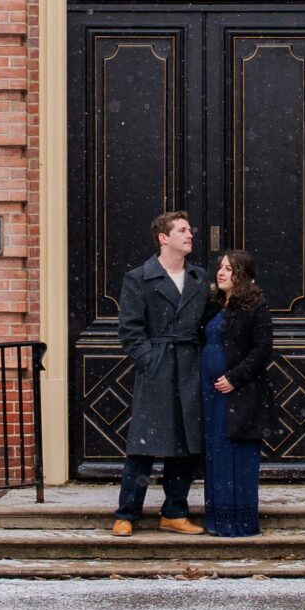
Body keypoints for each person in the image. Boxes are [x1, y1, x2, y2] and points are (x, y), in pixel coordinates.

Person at [112, 210, 209, 536]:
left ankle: (175, 512)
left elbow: (208, 324)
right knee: (143, 445)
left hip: (191, 368)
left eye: (189, 230)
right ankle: (126, 514)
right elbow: (130, 329)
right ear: (163, 237)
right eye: (182, 230)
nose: (189, 235)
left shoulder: (199, 278)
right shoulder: (139, 277)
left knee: (185, 445)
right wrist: (150, 361)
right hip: (157, 369)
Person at [201, 248, 277, 538]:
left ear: (241, 275)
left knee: (238, 454)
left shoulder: (256, 306)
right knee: (216, 453)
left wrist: (234, 378)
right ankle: (217, 520)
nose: (221, 272)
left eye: (229, 269)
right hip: (210, 392)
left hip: (239, 393)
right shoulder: (215, 305)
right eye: (220, 267)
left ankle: (239, 523)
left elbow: (262, 350)